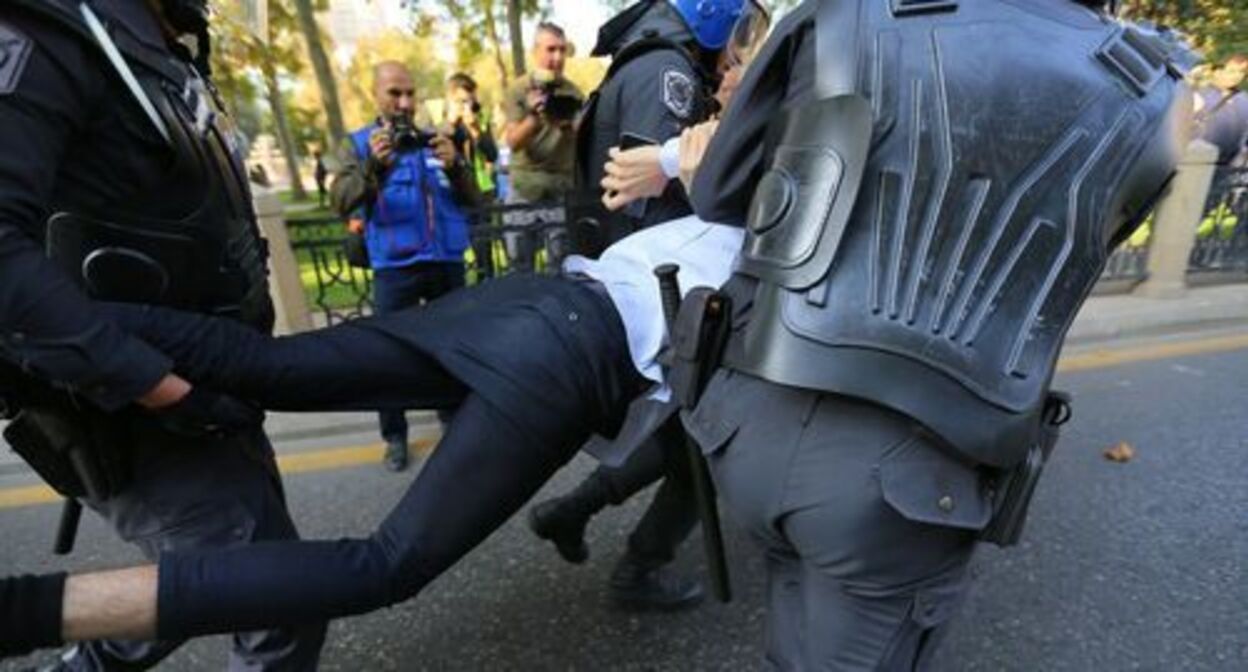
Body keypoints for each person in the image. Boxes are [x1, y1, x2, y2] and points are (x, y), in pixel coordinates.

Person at [0, 1, 1188, 668]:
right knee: (380, 568)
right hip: (564, 355)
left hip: (525, 303)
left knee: (262, 368)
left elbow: (722, 180)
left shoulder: (786, 147)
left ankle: (52, 391)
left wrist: (85, 336)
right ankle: (39, 615)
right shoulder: (791, 249)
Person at [676, 0, 1188, 668]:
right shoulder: (1152, 84)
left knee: (793, 626)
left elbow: (719, 193)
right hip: (911, 470)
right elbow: (1084, 245)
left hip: (752, 418)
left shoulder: (844, 12)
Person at [0, 0, 327, 669]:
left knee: (208, 578)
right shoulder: (47, 28)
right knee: (276, 600)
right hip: (129, 400)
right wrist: (159, 387)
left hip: (207, 384)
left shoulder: (154, 43)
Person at [527, 4, 768, 611]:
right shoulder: (668, 70)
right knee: (695, 452)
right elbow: (658, 202)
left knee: (681, 440)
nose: (731, 69)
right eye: (735, 53)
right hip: (658, 295)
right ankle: (636, 566)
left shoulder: (644, 59)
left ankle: (574, 512)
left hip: (634, 290)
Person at [331, 61, 482, 472]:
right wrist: (373, 167)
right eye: (395, 93)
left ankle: (454, 418)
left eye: (410, 93)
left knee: (452, 346)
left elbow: (475, 200)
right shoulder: (360, 143)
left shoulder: (439, 138)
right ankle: (394, 436)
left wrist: (457, 165)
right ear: (376, 96)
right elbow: (340, 200)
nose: (405, 102)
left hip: (445, 259)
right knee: (387, 356)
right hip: (394, 266)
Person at [500, 22, 583, 272]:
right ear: (535, 51)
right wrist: (534, 117)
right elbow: (513, 142)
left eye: (562, 50)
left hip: (559, 191)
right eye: (550, 49)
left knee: (559, 268)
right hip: (524, 190)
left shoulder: (574, 93)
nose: (557, 57)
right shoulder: (518, 89)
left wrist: (568, 125)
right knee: (519, 267)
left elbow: (583, 141)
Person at [445, 72, 501, 279]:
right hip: (455, 192)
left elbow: (492, 154)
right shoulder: (443, 122)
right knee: (454, 249)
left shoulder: (479, 119)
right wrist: (451, 123)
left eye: (470, 99)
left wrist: (476, 128)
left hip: (481, 191)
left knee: (483, 249)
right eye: (462, 101)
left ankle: (486, 286)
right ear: (451, 99)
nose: (467, 105)